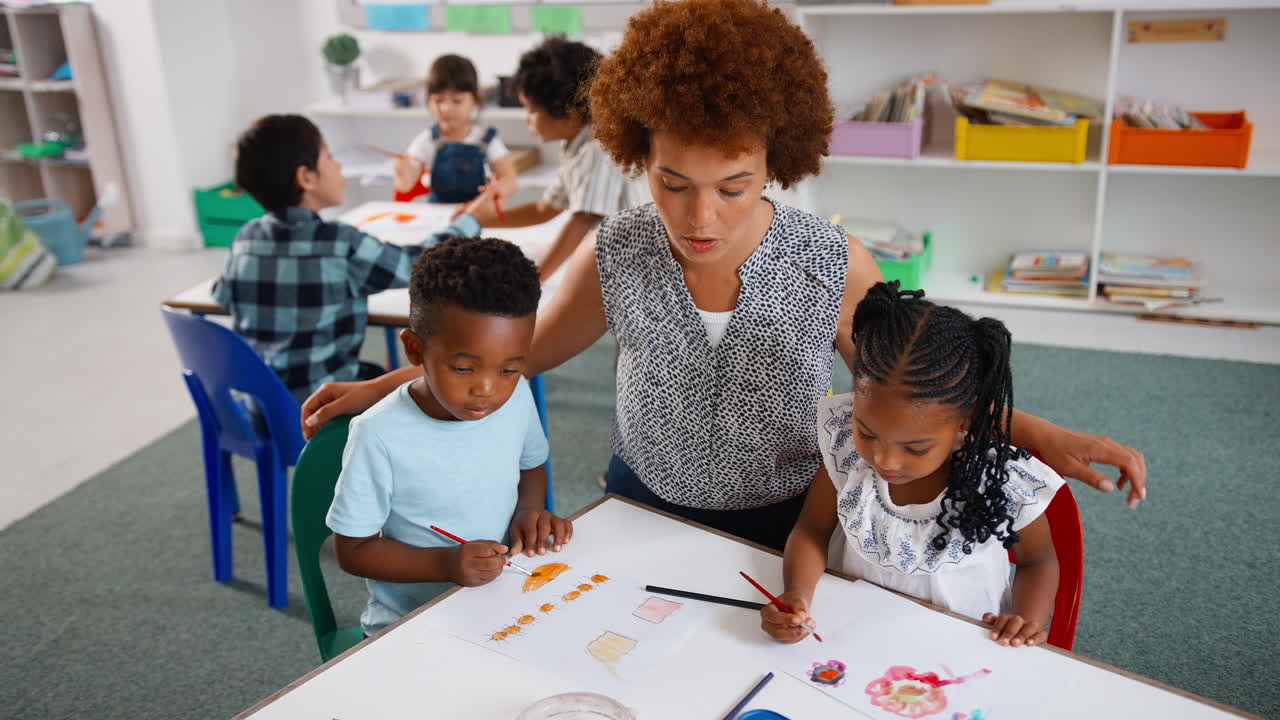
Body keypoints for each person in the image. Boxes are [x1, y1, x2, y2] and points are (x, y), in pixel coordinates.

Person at [301, 0, 1146, 551]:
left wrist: (1042, 435)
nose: (699, 219)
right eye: (672, 184)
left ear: (776, 162)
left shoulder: (829, 261)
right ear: (638, 155)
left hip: (785, 519)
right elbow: (519, 352)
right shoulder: (621, 249)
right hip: (639, 503)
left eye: (733, 189)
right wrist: (391, 384)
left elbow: (922, 387)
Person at [761, 282, 1062, 648]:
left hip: (960, 647)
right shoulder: (846, 453)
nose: (884, 459)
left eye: (915, 447)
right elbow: (811, 530)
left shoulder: (997, 479)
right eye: (867, 432)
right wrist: (797, 594)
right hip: (850, 638)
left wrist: (1026, 620)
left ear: (963, 424)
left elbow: (1038, 561)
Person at [326, 236, 573, 637]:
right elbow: (352, 550)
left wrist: (529, 511)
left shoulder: (518, 394)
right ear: (414, 349)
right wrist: (445, 564)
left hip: (501, 606)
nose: (488, 390)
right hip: (411, 626)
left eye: (509, 369)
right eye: (463, 369)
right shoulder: (378, 434)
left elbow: (530, 465)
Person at [213, 114, 485, 402]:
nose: (339, 165)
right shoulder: (338, 243)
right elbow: (421, 264)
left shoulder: (246, 239)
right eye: (329, 157)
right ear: (306, 177)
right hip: (326, 410)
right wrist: (469, 222)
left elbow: (222, 295)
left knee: (375, 372)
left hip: (263, 412)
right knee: (410, 386)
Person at [466, 37, 642, 282]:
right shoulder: (577, 145)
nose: (526, 119)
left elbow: (582, 221)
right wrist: (478, 221)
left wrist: (536, 279)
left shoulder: (598, 149)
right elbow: (546, 208)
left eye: (531, 110)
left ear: (568, 116)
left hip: (631, 272)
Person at [394, 54, 517, 204]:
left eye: (457, 101)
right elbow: (406, 186)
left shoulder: (485, 139)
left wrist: (497, 191)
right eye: (438, 101)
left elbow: (509, 179)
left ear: (476, 100)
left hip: (475, 212)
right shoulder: (427, 140)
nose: (446, 108)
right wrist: (403, 172)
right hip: (436, 214)